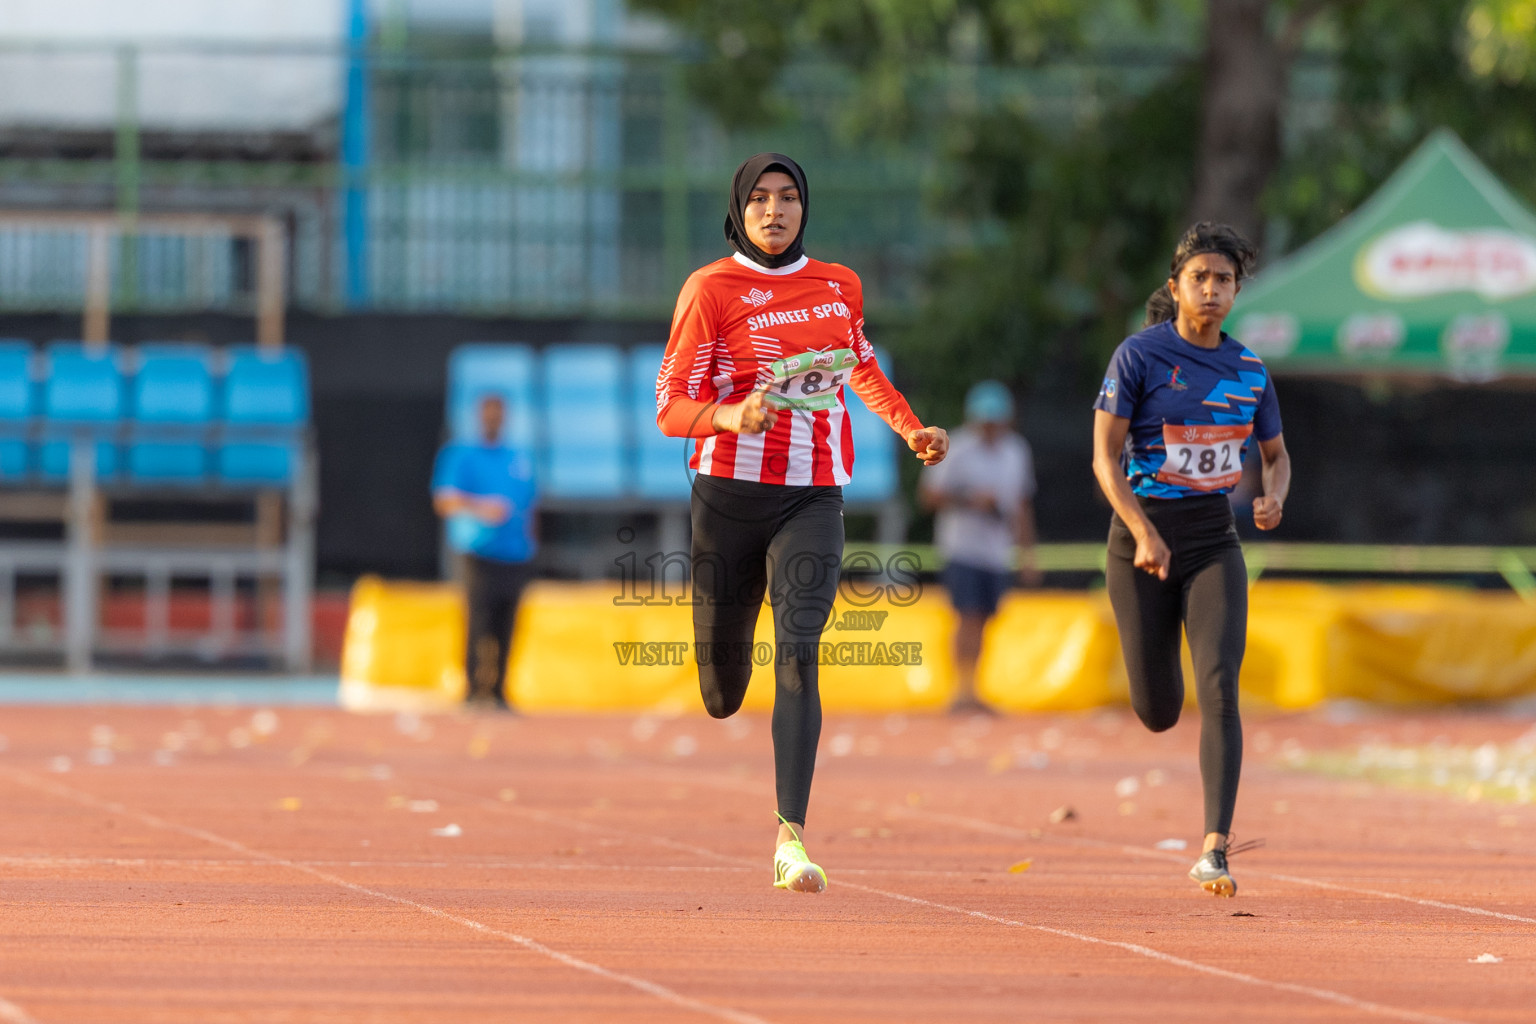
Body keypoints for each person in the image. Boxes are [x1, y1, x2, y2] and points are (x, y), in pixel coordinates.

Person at [655, 152, 948, 893]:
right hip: (726, 498)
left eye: (787, 198)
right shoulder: (709, 289)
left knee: (799, 648)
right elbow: (670, 407)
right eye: (759, 199)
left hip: (812, 494)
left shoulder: (838, 284)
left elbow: (861, 369)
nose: (774, 211)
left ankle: (791, 837)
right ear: (739, 209)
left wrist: (911, 428)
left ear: (804, 207)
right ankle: (727, 667)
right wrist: (730, 415)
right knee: (721, 694)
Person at [1091, 221, 1291, 897]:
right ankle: (1159, 670)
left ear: (1236, 290)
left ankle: (1215, 849)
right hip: (1139, 543)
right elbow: (1104, 459)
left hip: (1212, 541)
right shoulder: (1139, 357)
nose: (1211, 290)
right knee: (1158, 710)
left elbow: (1276, 455)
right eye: (1199, 278)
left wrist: (1273, 496)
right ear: (1175, 286)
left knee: (1221, 687)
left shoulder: (1249, 370)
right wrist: (1143, 532)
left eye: (1223, 280)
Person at [920, 380, 1039, 715]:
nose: (989, 429)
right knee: (967, 616)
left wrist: (1027, 553)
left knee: (984, 619)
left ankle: (973, 688)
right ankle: (961, 690)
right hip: (962, 548)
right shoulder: (956, 447)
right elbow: (929, 496)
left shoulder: (1016, 450)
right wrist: (972, 500)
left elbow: (1021, 505)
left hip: (996, 551)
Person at [432, 393, 538, 710]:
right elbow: (444, 500)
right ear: (479, 417)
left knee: (508, 623)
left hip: (515, 553)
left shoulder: (519, 458)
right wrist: (481, 508)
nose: (494, 419)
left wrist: (531, 542)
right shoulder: (461, 456)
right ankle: (472, 689)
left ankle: (500, 691)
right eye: (489, 413)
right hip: (478, 551)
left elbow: (530, 505)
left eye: (498, 414)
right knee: (478, 621)